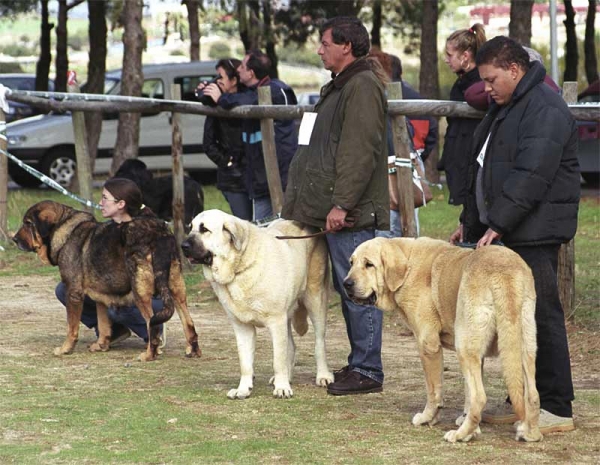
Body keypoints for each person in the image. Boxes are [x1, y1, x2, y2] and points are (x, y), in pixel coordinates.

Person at [450, 36, 580, 434]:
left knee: (541, 315)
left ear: (514, 69)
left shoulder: (544, 109)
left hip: (535, 232)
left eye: (490, 80)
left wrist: (497, 224)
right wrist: (470, 222)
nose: (485, 88)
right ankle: (521, 399)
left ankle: (556, 406)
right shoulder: (508, 106)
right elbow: (485, 167)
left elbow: (530, 176)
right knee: (513, 320)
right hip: (510, 227)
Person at [282, 16, 389, 395]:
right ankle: (359, 363)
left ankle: (369, 370)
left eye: (325, 43)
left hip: (352, 214)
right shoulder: (340, 87)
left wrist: (342, 203)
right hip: (330, 209)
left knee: (360, 290)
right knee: (348, 291)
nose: (318, 49)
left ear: (347, 46)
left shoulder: (361, 86)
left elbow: (359, 153)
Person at [55, 178, 164, 344]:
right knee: (65, 289)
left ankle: (153, 333)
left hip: (150, 297)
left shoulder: (145, 231)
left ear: (121, 204)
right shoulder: (106, 230)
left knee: (117, 308)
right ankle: (113, 332)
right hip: (115, 290)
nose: (100, 202)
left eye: (105, 198)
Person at [215, 50, 298, 221]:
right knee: (261, 228)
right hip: (260, 179)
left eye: (243, 66)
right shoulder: (253, 92)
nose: (238, 70)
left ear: (251, 73)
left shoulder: (274, 91)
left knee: (281, 228)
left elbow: (244, 101)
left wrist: (220, 98)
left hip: (278, 177)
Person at [440, 23, 489, 206]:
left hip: (473, 160)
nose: (446, 60)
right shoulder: (461, 84)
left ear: (466, 56)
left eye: (450, 55)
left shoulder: (479, 85)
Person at [199, 58, 253, 220]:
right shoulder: (216, 106)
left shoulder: (250, 98)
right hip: (233, 179)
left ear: (234, 80)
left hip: (256, 175)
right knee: (244, 223)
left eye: (220, 77)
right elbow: (208, 143)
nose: (216, 82)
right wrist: (228, 163)